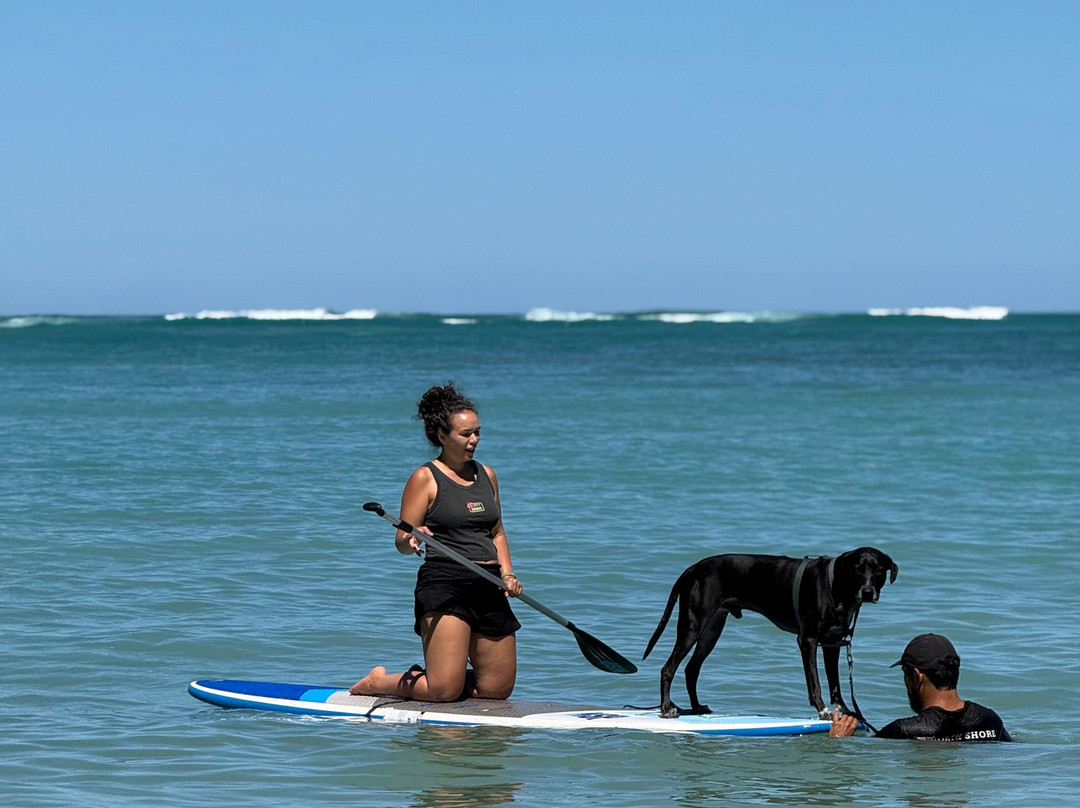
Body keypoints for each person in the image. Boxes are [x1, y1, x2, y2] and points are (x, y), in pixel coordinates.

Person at [350, 382, 524, 702]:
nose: (474, 440)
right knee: (444, 691)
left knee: (497, 689)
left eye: (477, 432)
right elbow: (402, 540)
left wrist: (508, 574)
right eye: (465, 434)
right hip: (446, 583)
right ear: (442, 436)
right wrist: (412, 538)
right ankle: (378, 682)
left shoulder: (487, 475)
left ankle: (446, 673)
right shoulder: (425, 478)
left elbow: (497, 532)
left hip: (488, 583)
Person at [830, 633, 1012, 741]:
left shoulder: (902, 731)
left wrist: (837, 741)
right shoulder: (990, 720)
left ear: (917, 676)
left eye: (905, 673)